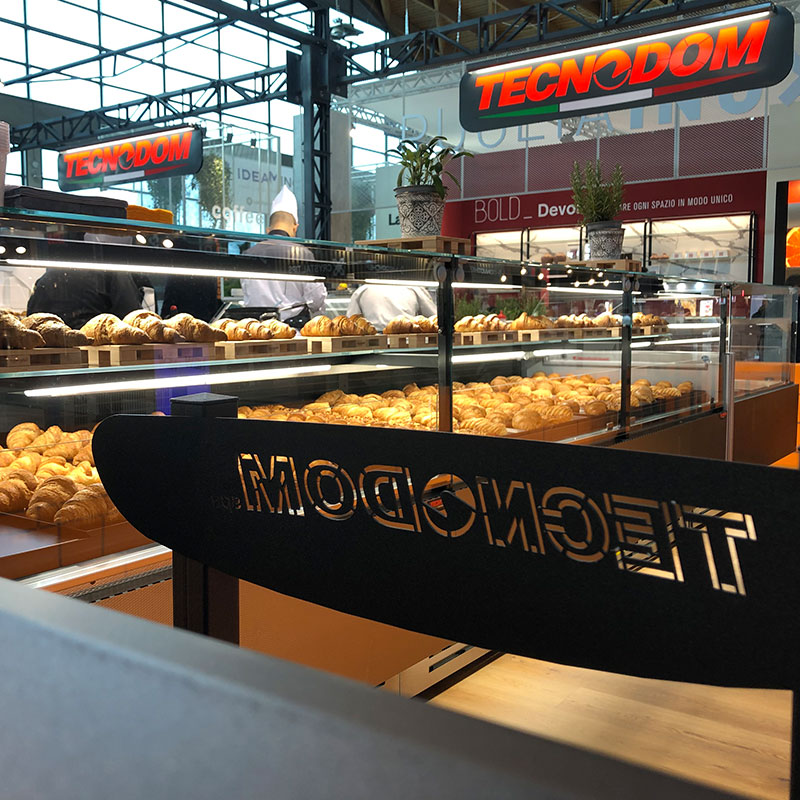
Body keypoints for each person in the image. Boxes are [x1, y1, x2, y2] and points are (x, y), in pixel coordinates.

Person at [240, 186, 326, 327]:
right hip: (292, 333)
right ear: (295, 228)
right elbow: (316, 300)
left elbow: (247, 296)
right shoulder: (302, 254)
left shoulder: (248, 254)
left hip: (257, 332)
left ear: (268, 229)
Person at [347, 283, 437, 331]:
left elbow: (351, 324)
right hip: (408, 341)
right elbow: (434, 318)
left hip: (373, 343)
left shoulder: (362, 290)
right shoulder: (414, 287)